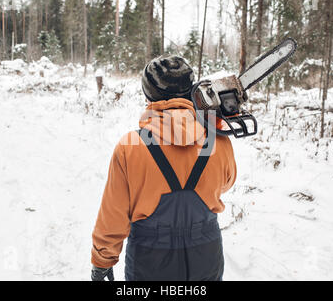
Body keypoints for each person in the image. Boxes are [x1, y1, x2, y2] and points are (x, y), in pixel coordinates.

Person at [91, 56, 237, 281]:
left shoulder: (130, 146)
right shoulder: (218, 140)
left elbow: (114, 214)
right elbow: (226, 183)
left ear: (149, 94)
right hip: (206, 255)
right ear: (192, 91)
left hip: (150, 260)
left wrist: (103, 260)